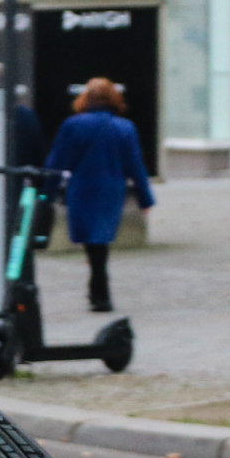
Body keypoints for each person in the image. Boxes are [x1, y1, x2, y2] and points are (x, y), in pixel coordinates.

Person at [44, 75, 152, 313]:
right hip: (111, 190)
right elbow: (135, 166)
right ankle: (99, 287)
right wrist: (145, 199)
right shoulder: (125, 127)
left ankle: (98, 287)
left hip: (82, 188)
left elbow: (57, 162)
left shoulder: (73, 125)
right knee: (100, 239)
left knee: (92, 241)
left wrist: (47, 194)